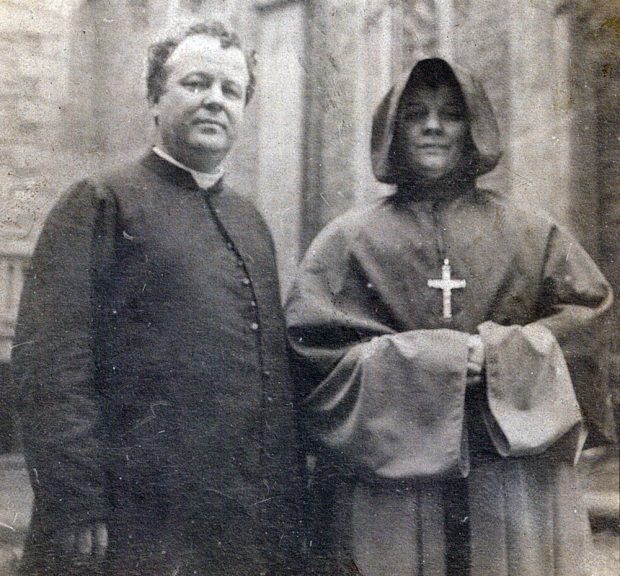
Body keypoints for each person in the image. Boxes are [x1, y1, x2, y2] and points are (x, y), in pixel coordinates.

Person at [286, 57, 615, 576]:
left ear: (474, 128)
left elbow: (587, 320)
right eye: (416, 114)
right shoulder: (348, 241)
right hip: (395, 484)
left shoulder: (531, 232)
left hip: (508, 479)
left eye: (450, 114)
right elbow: (313, 355)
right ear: (394, 130)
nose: (434, 126)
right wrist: (432, 363)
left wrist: (506, 355)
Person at [12, 21, 303, 576]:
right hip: (129, 522)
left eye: (231, 91)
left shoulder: (250, 222)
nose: (215, 101)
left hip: (233, 523)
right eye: (196, 84)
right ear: (154, 97)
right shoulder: (99, 202)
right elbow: (51, 366)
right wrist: (76, 500)